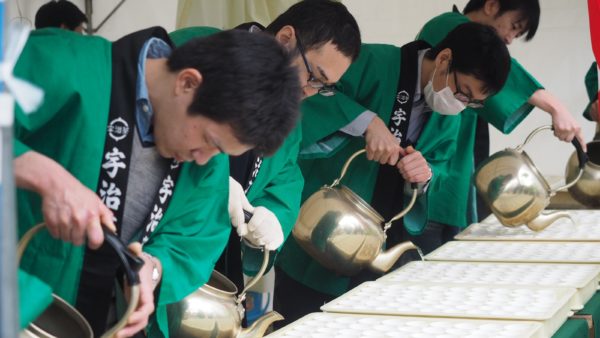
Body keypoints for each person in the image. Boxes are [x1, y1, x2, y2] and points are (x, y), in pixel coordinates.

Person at [14, 27, 300, 337]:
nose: (205, 158)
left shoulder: (205, 159)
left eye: (219, 151)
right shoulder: (67, 62)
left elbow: (193, 238)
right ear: (187, 82)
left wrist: (153, 268)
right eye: (208, 140)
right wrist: (43, 175)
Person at [274, 22, 511, 326]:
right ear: (444, 59)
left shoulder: (449, 115)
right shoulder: (372, 62)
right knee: (303, 323)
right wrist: (366, 121)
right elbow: (309, 97)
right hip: (325, 229)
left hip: (382, 244)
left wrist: (423, 175)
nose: (461, 104)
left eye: (472, 102)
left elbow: (439, 166)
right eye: (462, 92)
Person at [170, 0, 361, 296]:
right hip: (160, 241)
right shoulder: (198, 48)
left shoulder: (289, 107)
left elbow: (285, 175)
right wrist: (208, 179)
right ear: (286, 39)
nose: (309, 92)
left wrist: (273, 214)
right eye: (313, 76)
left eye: (323, 87)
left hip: (217, 255)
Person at [415, 0, 585, 237]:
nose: (509, 39)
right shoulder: (447, 25)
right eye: (514, 26)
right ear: (492, 5)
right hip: (427, 169)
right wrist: (555, 107)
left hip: (455, 173)